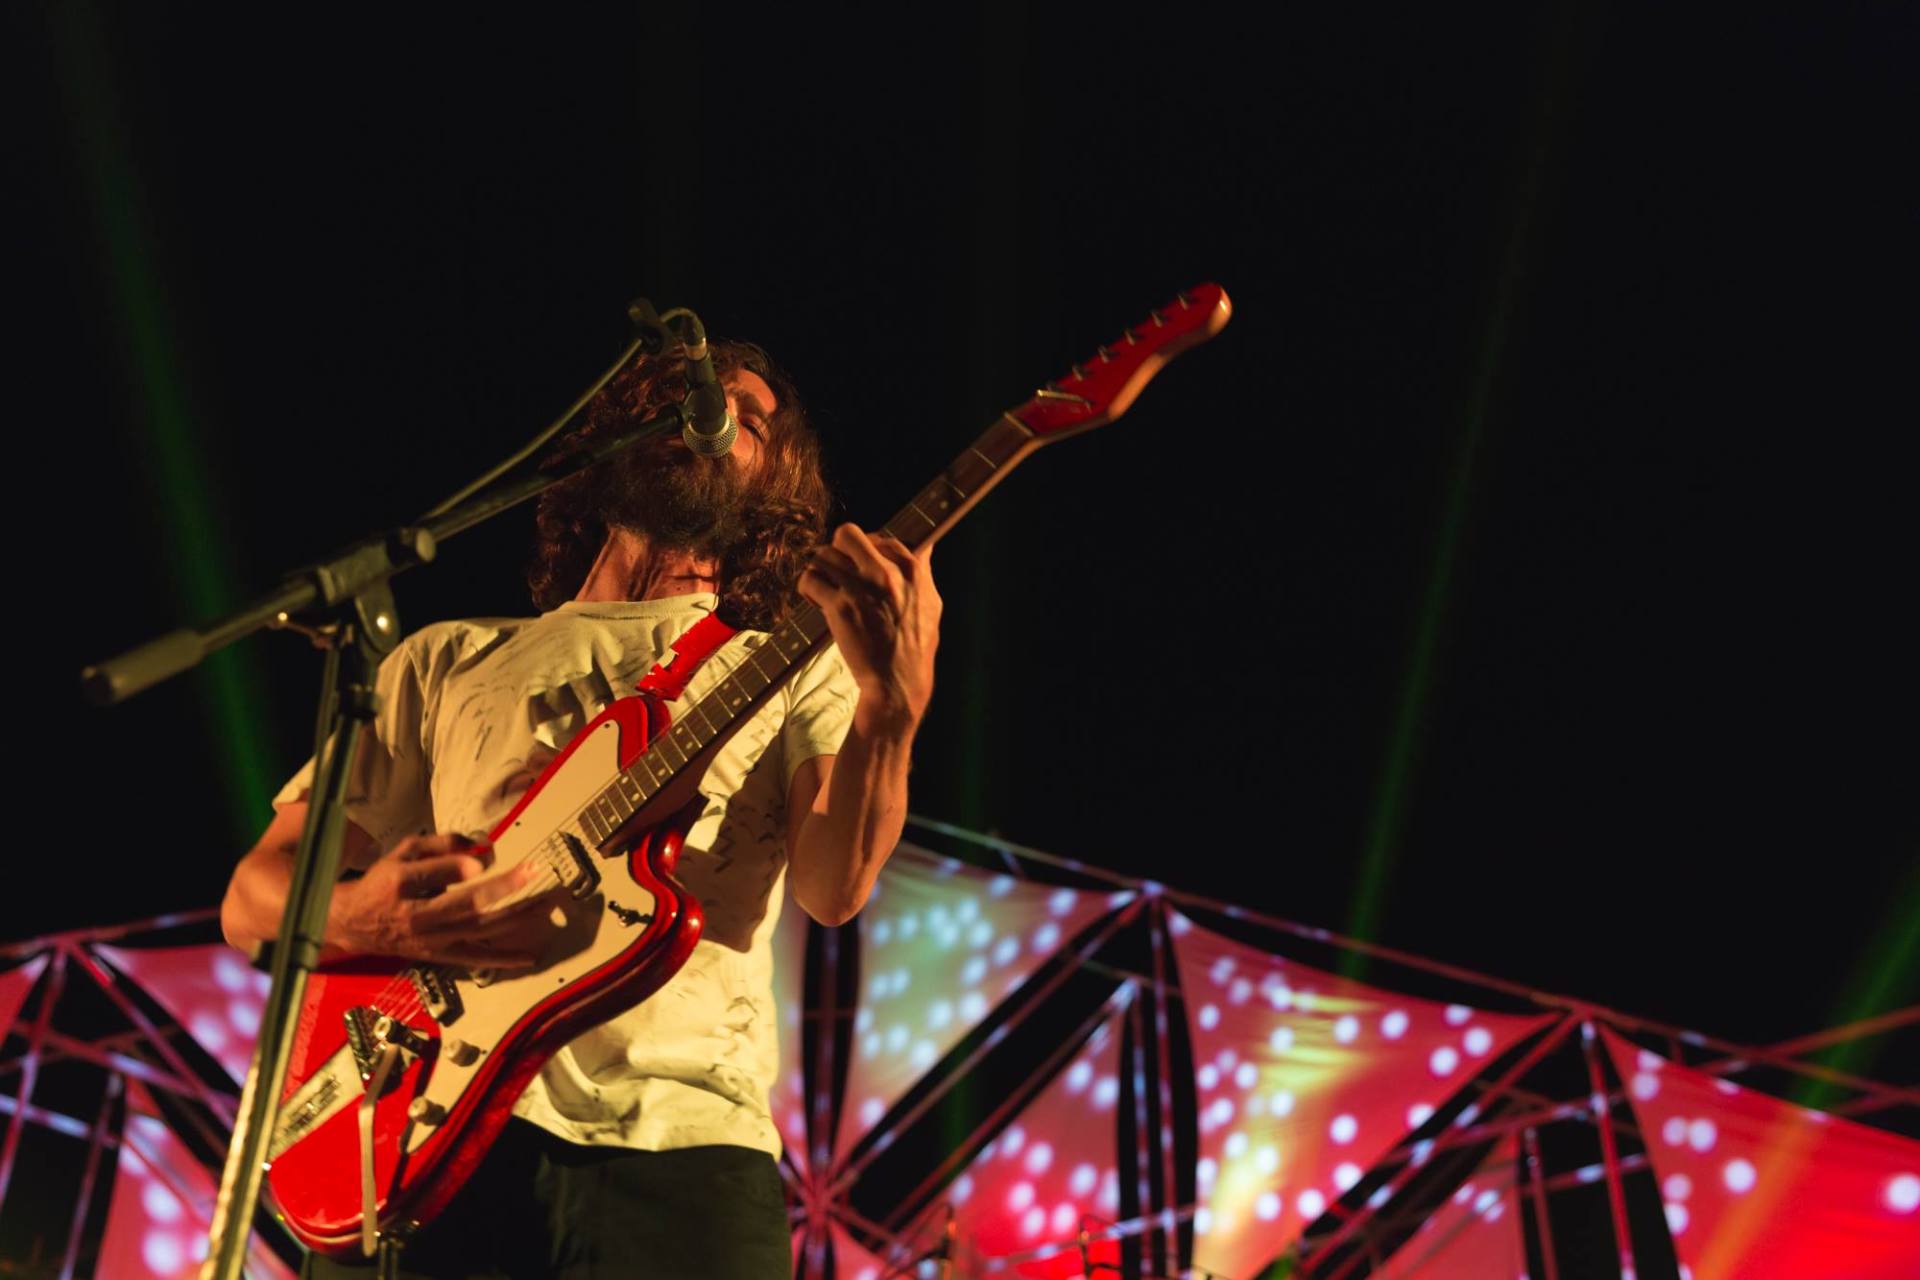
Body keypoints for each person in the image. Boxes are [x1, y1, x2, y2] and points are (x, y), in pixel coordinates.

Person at [220, 340, 941, 1278]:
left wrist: (893, 711)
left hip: (682, 1144)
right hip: (425, 1129)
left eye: (752, 421)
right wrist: (368, 916)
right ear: (620, 433)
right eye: (688, 396)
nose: (715, 414)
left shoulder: (789, 666)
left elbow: (833, 888)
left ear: (777, 484)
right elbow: (252, 897)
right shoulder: (448, 658)